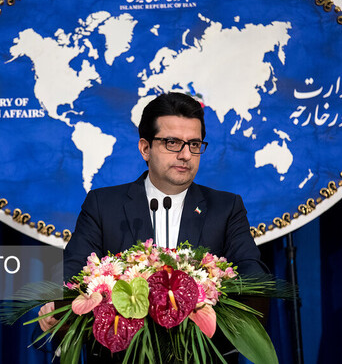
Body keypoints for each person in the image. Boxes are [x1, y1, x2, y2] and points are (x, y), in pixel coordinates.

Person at [38, 92, 266, 337]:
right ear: (145, 148)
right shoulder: (103, 205)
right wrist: (56, 301)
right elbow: (74, 270)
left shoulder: (226, 207)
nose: (185, 155)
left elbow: (252, 272)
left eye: (194, 144)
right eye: (172, 143)